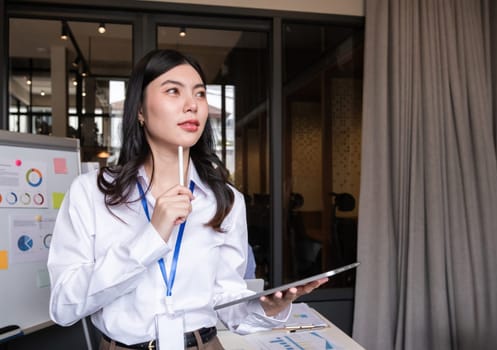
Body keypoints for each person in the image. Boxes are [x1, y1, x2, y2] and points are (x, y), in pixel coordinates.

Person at [47, 49, 327, 350]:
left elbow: (226, 299)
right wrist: (152, 236)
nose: (192, 105)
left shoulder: (226, 199)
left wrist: (268, 309)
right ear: (139, 110)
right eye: (172, 91)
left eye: (200, 94)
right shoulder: (92, 193)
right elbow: (64, 306)